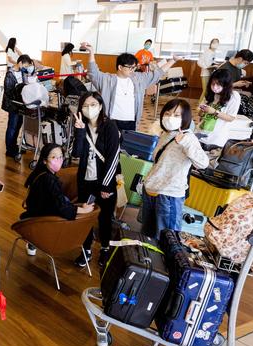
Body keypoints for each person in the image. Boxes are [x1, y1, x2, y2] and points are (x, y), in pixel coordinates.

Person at [141, 99, 209, 239]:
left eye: (176, 115)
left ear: (185, 118)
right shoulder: (166, 134)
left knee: (167, 239)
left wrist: (185, 143)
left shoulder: (188, 138)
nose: (170, 117)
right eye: (168, 113)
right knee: (148, 236)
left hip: (169, 195)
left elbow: (203, 163)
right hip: (151, 191)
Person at [71, 92, 121, 268]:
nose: (89, 108)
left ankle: (105, 249)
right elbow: (76, 153)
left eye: (93, 104)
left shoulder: (110, 127)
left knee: (105, 217)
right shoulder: (80, 125)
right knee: (86, 215)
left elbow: (113, 158)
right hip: (86, 180)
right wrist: (79, 132)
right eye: (85, 105)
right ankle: (86, 249)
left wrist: (106, 185)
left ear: (100, 107)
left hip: (105, 182)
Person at [85, 42, 182, 131]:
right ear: (120, 67)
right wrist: (91, 52)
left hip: (131, 121)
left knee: (126, 148)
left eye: (134, 67)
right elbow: (93, 72)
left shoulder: (138, 79)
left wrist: (173, 60)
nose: (133, 70)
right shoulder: (107, 79)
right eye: (130, 67)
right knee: (109, 148)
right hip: (110, 121)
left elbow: (157, 73)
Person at [21, 143, 95, 255]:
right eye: (54, 157)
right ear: (45, 160)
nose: (59, 160)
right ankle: (86, 251)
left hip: (37, 214)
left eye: (60, 156)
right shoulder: (48, 180)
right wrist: (84, 210)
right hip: (43, 222)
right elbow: (63, 209)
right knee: (82, 218)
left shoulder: (39, 173)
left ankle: (33, 243)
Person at [197, 69, 241, 148]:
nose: (214, 87)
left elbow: (231, 118)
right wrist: (202, 110)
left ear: (226, 85)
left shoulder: (234, 96)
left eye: (218, 84)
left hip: (216, 139)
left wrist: (214, 112)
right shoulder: (210, 94)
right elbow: (200, 115)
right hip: (201, 133)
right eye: (213, 84)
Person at [2, 54, 34, 159]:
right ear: (20, 63)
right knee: (12, 126)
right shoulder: (10, 74)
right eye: (25, 65)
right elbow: (9, 92)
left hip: (21, 105)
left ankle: (14, 146)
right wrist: (20, 91)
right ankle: (9, 149)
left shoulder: (22, 71)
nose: (26, 67)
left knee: (18, 125)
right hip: (13, 105)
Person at [197, 38, 219, 103]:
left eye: (217, 43)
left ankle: (202, 104)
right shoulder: (207, 52)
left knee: (207, 90)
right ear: (211, 43)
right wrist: (211, 66)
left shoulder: (213, 52)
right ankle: (199, 105)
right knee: (205, 90)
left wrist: (216, 64)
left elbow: (211, 62)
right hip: (205, 74)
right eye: (214, 42)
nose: (215, 44)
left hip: (209, 73)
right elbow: (203, 63)